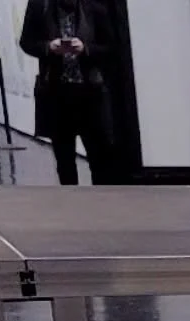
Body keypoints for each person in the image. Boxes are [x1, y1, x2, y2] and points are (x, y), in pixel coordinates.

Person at [21, 0, 118, 186]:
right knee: (64, 159)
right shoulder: (40, 6)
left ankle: (102, 200)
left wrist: (86, 49)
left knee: (99, 156)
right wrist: (49, 47)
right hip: (56, 93)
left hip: (89, 93)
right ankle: (70, 200)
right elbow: (26, 42)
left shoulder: (94, 6)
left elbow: (111, 46)